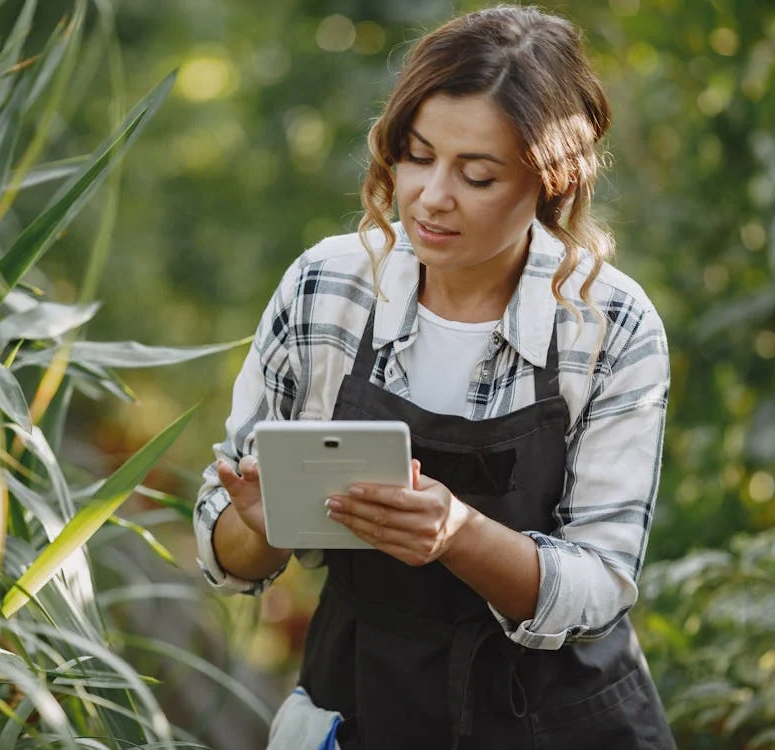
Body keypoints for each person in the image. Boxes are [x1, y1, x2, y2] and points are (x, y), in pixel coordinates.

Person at [194, 6, 674, 748]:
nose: (430, 196)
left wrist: (456, 534)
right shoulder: (327, 288)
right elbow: (228, 556)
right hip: (364, 701)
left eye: (476, 174)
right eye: (417, 157)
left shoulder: (609, 324)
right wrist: (264, 527)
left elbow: (601, 585)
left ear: (550, 182)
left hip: (557, 719)